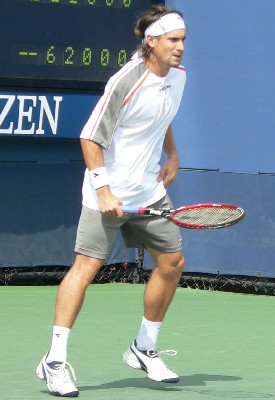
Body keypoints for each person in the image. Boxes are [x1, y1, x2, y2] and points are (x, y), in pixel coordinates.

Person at [36, 4, 187, 397]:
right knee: (86, 267)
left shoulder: (179, 76)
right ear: (151, 42)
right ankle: (54, 360)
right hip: (107, 193)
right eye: (173, 40)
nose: (181, 47)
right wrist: (103, 190)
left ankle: (144, 348)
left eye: (184, 40)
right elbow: (90, 137)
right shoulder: (126, 81)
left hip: (149, 192)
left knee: (172, 263)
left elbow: (163, 113)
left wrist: (171, 154)